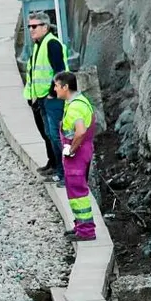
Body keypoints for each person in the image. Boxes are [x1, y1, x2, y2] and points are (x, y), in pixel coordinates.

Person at [23, 14, 67, 182]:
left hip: (53, 99)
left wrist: (51, 92)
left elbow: (60, 71)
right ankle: (56, 168)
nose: (31, 30)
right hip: (43, 98)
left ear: (45, 27)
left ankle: (64, 173)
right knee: (49, 134)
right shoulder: (39, 45)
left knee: (56, 135)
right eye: (29, 27)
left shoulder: (52, 44)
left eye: (35, 26)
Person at [54, 71, 97, 241]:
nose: (55, 89)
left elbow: (80, 132)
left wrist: (71, 150)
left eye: (57, 86)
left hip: (77, 156)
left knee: (78, 193)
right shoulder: (81, 101)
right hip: (84, 151)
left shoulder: (74, 107)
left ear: (65, 87)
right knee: (76, 192)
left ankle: (86, 230)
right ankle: (80, 225)